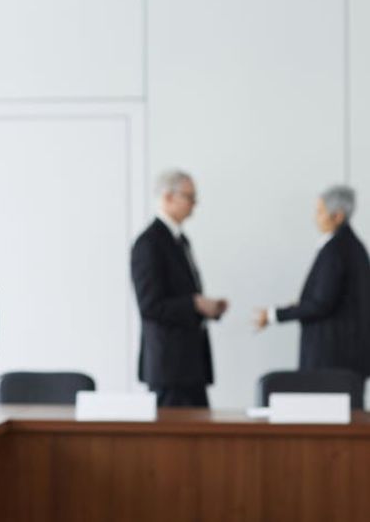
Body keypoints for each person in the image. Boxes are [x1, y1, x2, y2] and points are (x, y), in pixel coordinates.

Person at [130, 170, 227, 408]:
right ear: (168, 197)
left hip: (190, 365)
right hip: (169, 367)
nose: (194, 204)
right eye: (189, 197)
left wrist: (207, 308)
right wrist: (194, 303)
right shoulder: (149, 243)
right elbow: (149, 306)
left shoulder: (180, 240)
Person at [254, 185, 370, 376]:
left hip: (331, 358)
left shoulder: (335, 250)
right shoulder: (355, 248)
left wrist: (274, 314)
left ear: (338, 216)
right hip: (349, 357)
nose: (315, 217)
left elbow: (321, 304)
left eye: (320, 211)